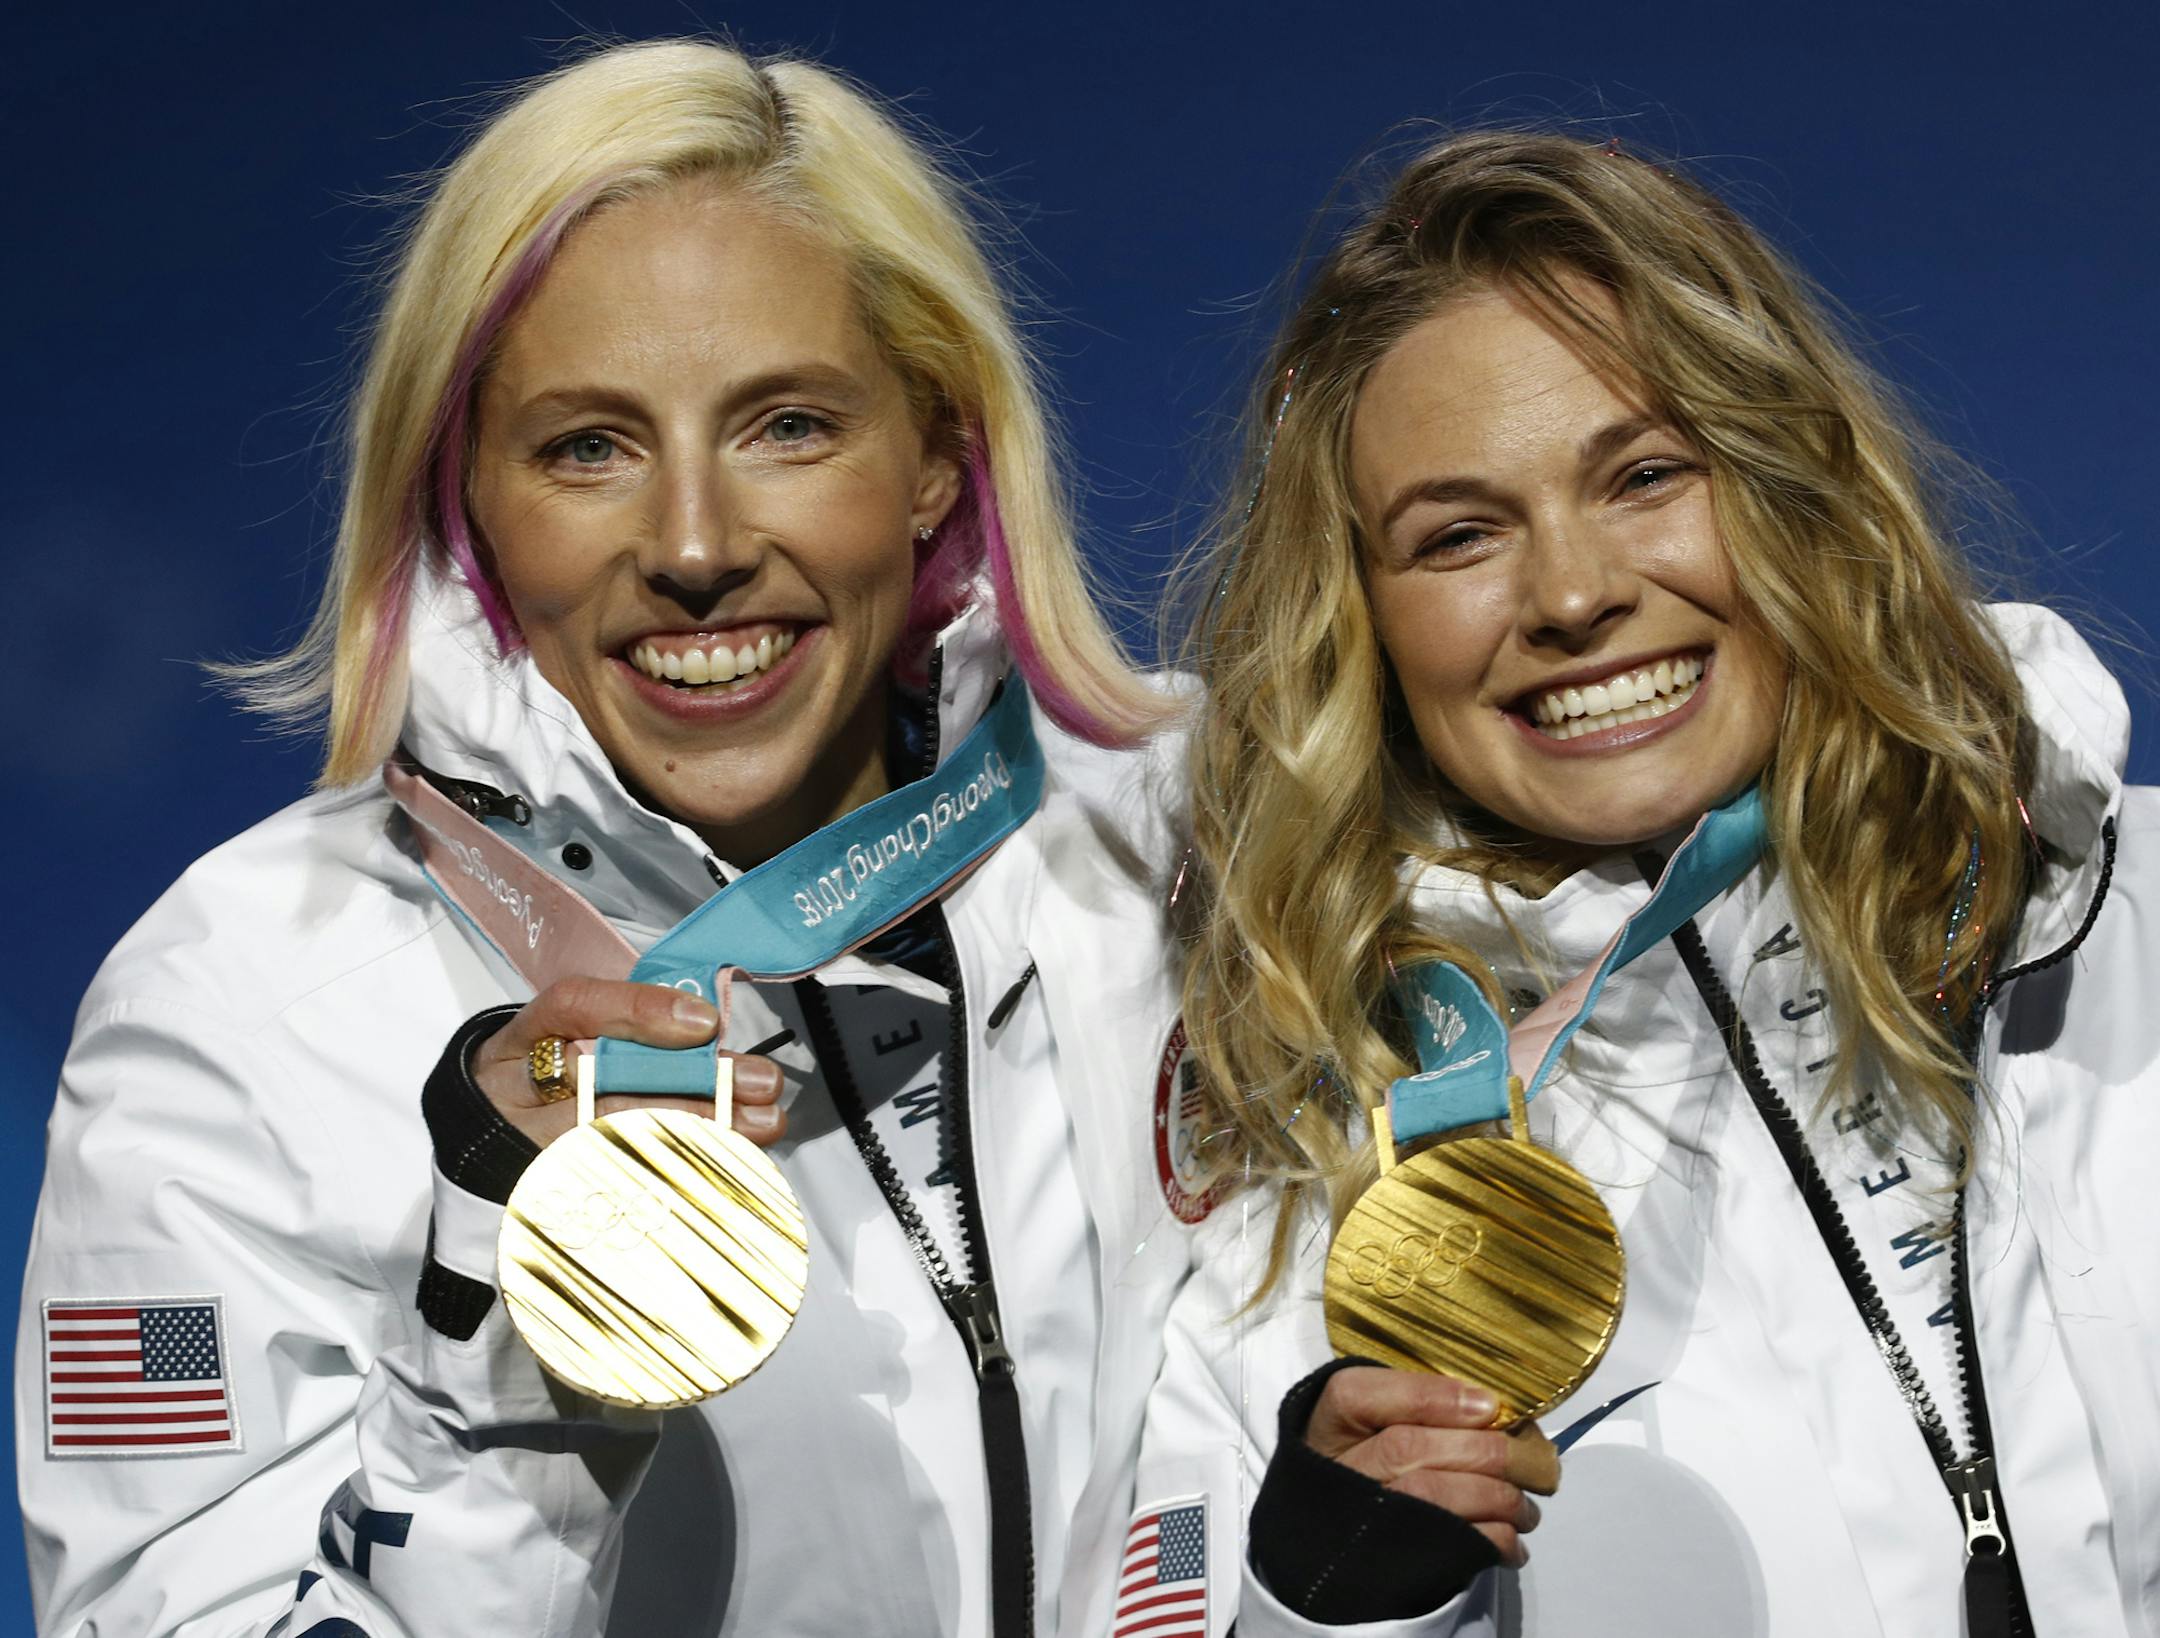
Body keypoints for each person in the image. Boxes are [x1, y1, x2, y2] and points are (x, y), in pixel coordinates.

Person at [19, 41, 1195, 1637]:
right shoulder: (240, 995)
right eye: (587, 446)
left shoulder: (1183, 844)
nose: (697, 545)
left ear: (935, 451)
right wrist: (501, 1345)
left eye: (787, 423)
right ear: (464, 500)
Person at [1135, 130, 2160, 1635]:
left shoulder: (2123, 928)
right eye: (1462, 534)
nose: (1573, 593)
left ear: (1789, 479)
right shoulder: (1289, 1209)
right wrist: (1324, 1609)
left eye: (1646, 475)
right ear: (1358, 618)